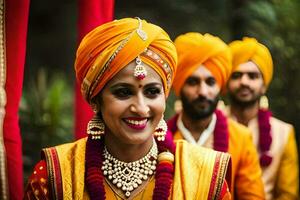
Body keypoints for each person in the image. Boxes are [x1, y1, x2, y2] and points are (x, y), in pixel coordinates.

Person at [24, 18, 232, 200]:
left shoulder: (204, 175)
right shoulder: (55, 176)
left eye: (152, 92)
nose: (141, 108)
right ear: (96, 99)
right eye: (123, 92)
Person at [167, 32, 265, 200]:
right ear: (179, 87)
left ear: (220, 86)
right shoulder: (160, 138)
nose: (203, 92)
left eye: (210, 82)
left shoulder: (241, 138)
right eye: (193, 82)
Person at [226, 37, 299, 200]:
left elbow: (288, 195)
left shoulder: (284, 132)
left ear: (264, 85)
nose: (244, 82)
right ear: (227, 82)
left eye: (252, 76)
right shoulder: (210, 124)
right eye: (236, 75)